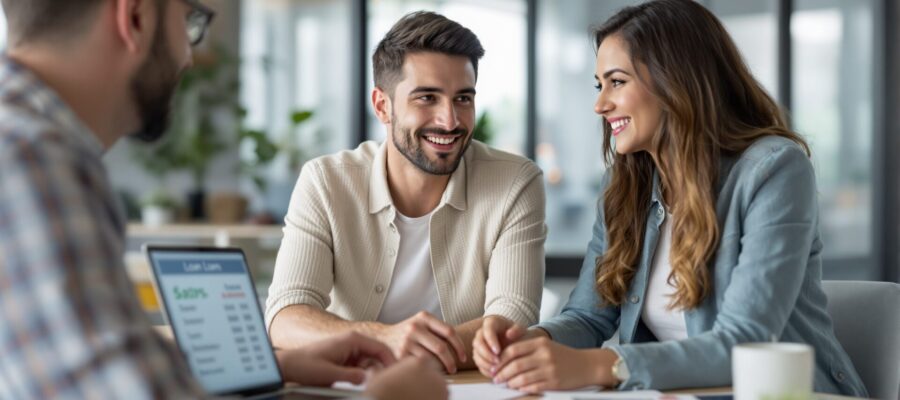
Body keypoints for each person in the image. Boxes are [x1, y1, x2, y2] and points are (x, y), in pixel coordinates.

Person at [0, 0, 445, 398]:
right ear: (134, 17)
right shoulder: (32, 160)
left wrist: (278, 366)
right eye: (190, 21)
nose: (189, 56)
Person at [472, 0, 868, 397]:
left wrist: (601, 365)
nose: (600, 104)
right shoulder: (626, 186)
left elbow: (745, 342)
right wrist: (530, 342)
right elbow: (588, 319)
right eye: (599, 84)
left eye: (617, 82)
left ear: (674, 80)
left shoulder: (774, 170)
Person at [266, 11, 547, 374]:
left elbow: (511, 321)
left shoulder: (515, 182)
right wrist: (384, 339)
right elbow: (286, 317)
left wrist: (388, 354)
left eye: (463, 98)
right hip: (353, 390)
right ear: (383, 105)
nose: (450, 121)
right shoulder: (326, 181)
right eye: (427, 98)